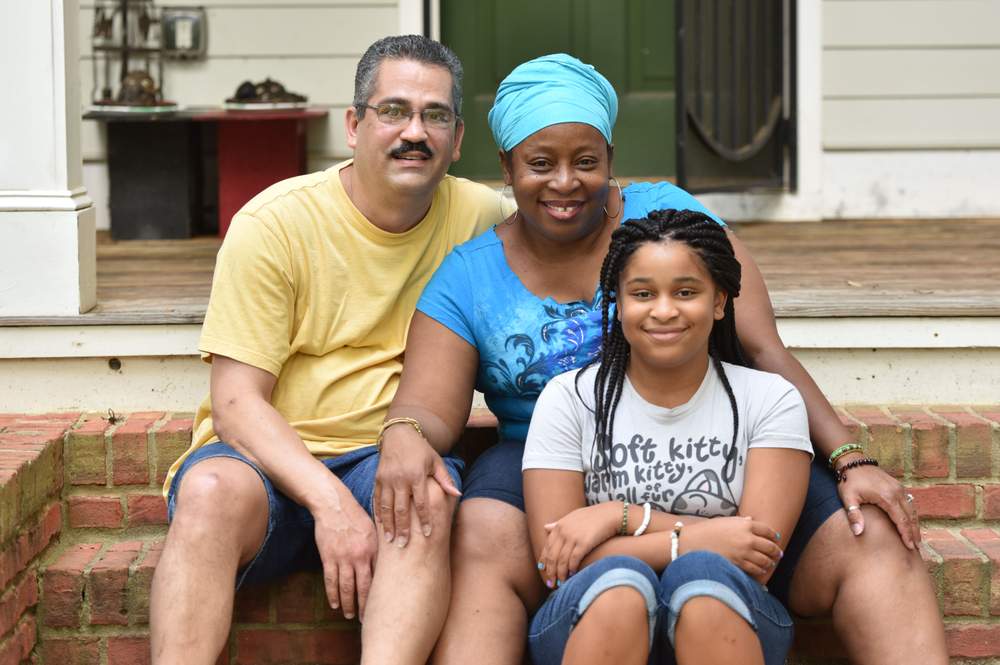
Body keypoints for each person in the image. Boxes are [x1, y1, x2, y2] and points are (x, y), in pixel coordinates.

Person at [382, 54, 947, 665]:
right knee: (483, 531)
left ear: (611, 159)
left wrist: (848, 456)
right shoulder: (470, 276)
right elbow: (428, 405)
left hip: (714, 435)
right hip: (553, 459)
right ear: (507, 167)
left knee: (873, 533)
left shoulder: (671, 222)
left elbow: (763, 348)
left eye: (586, 162)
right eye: (540, 164)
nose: (565, 183)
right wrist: (406, 433)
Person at [149, 35, 505, 665]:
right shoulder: (276, 224)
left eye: (435, 115)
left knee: (423, 493)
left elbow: (586, 211)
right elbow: (235, 403)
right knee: (206, 494)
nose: (414, 132)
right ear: (353, 125)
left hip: (386, 460)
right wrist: (330, 503)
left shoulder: (482, 217)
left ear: (458, 138)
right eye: (393, 111)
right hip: (265, 467)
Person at [523, 209, 812, 665]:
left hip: (727, 616)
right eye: (642, 293)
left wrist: (621, 517)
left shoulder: (769, 399)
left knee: (704, 579)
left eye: (686, 292)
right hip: (594, 617)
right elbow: (558, 563)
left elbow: (756, 553)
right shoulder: (569, 398)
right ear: (617, 305)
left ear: (719, 302)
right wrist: (693, 540)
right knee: (620, 582)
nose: (663, 310)